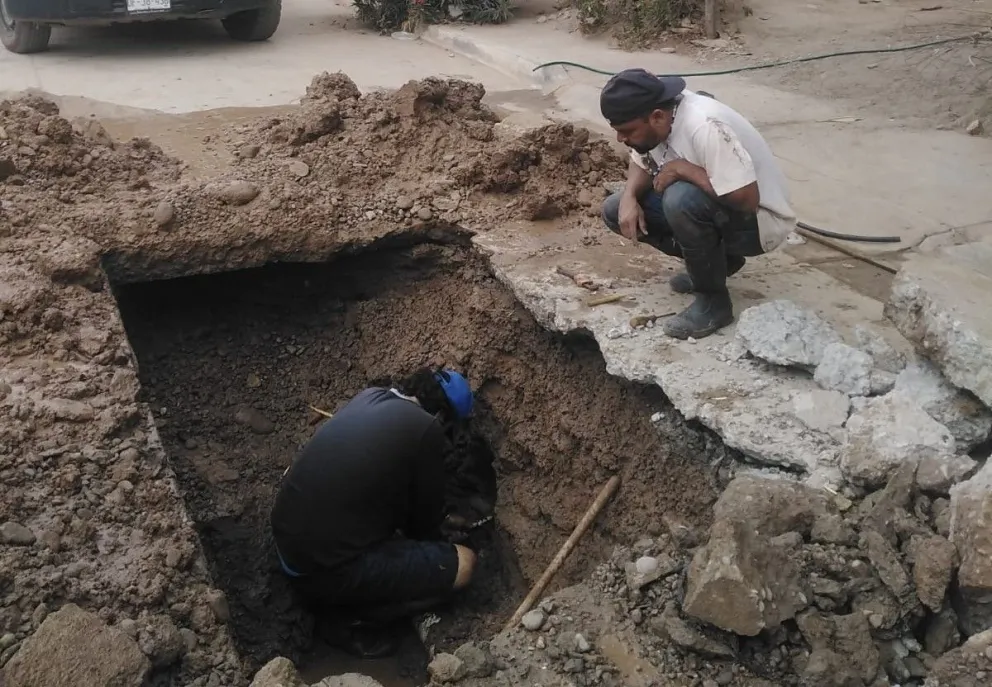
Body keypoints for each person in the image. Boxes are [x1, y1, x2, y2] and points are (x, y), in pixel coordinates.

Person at [270, 367, 480, 658]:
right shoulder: (427, 429)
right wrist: (449, 537)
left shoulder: (371, 396)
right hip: (320, 571)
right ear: (442, 417)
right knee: (465, 564)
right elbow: (424, 530)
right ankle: (349, 618)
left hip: (288, 539)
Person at [600, 68, 797, 339]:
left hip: (760, 225)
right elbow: (640, 160)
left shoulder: (704, 125)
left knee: (681, 198)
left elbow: (747, 199)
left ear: (656, 116)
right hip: (721, 211)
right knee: (614, 210)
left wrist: (684, 169)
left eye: (625, 131)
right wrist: (629, 197)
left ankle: (713, 303)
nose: (620, 139)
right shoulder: (656, 119)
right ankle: (720, 264)